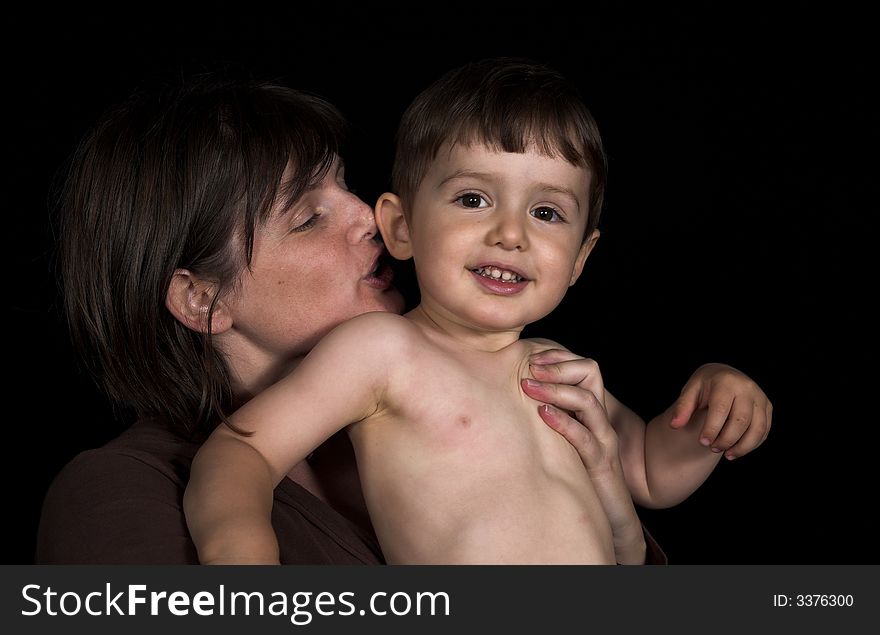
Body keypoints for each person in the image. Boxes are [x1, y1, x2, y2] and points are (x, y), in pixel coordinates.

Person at [35, 71, 688, 565]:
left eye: (344, 185)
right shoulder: (120, 490)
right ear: (204, 298)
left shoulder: (509, 408)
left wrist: (611, 494)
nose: (363, 213)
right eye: (307, 215)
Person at [184, 59, 773, 565]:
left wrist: (709, 416)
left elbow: (647, 472)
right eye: (473, 199)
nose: (511, 233)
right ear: (401, 226)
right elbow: (243, 452)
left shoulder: (556, 368)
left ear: (580, 259)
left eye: (547, 213)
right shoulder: (382, 350)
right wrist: (242, 560)